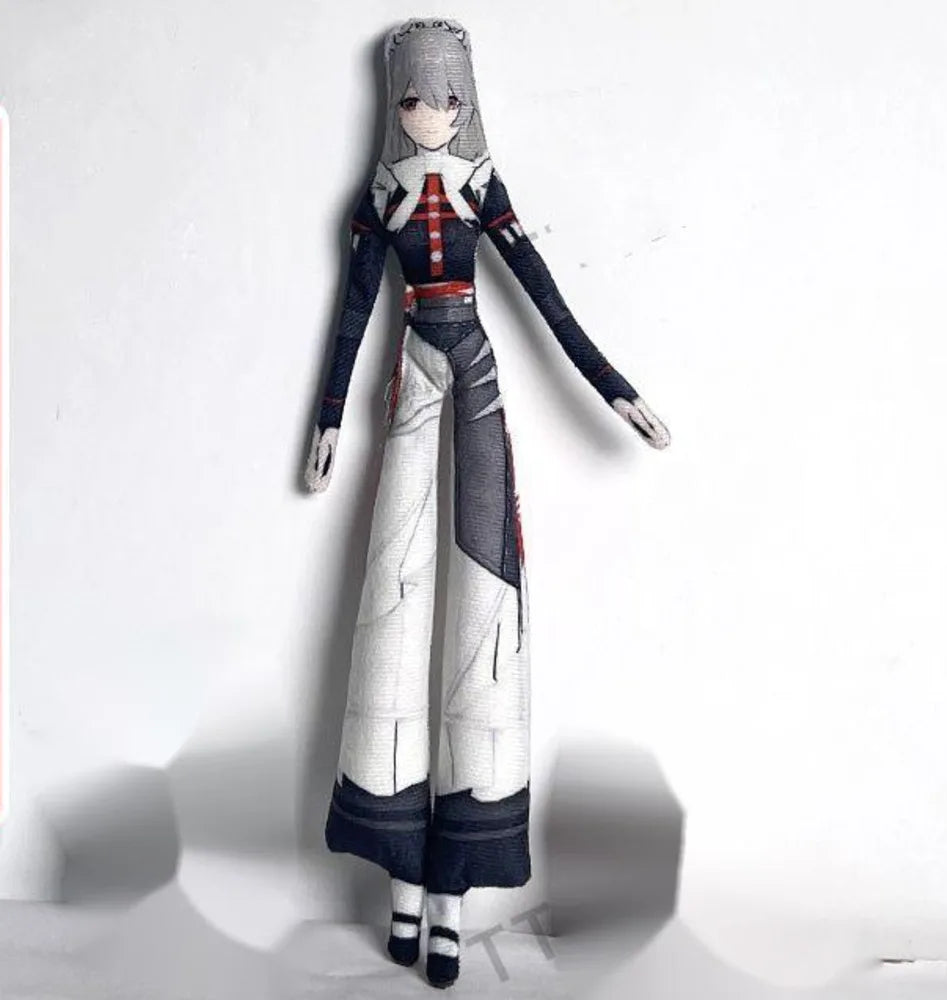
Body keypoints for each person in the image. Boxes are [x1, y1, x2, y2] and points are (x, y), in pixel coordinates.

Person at [304, 17, 669, 988]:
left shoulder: (481, 188)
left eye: (446, 99)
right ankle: (402, 881)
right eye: (413, 98)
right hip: (411, 380)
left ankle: (452, 895)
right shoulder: (378, 199)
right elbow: (353, 312)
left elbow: (546, 297)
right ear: (394, 105)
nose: (429, 113)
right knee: (391, 597)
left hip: (473, 374)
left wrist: (611, 385)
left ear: (466, 105)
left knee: (486, 610)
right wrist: (330, 415)